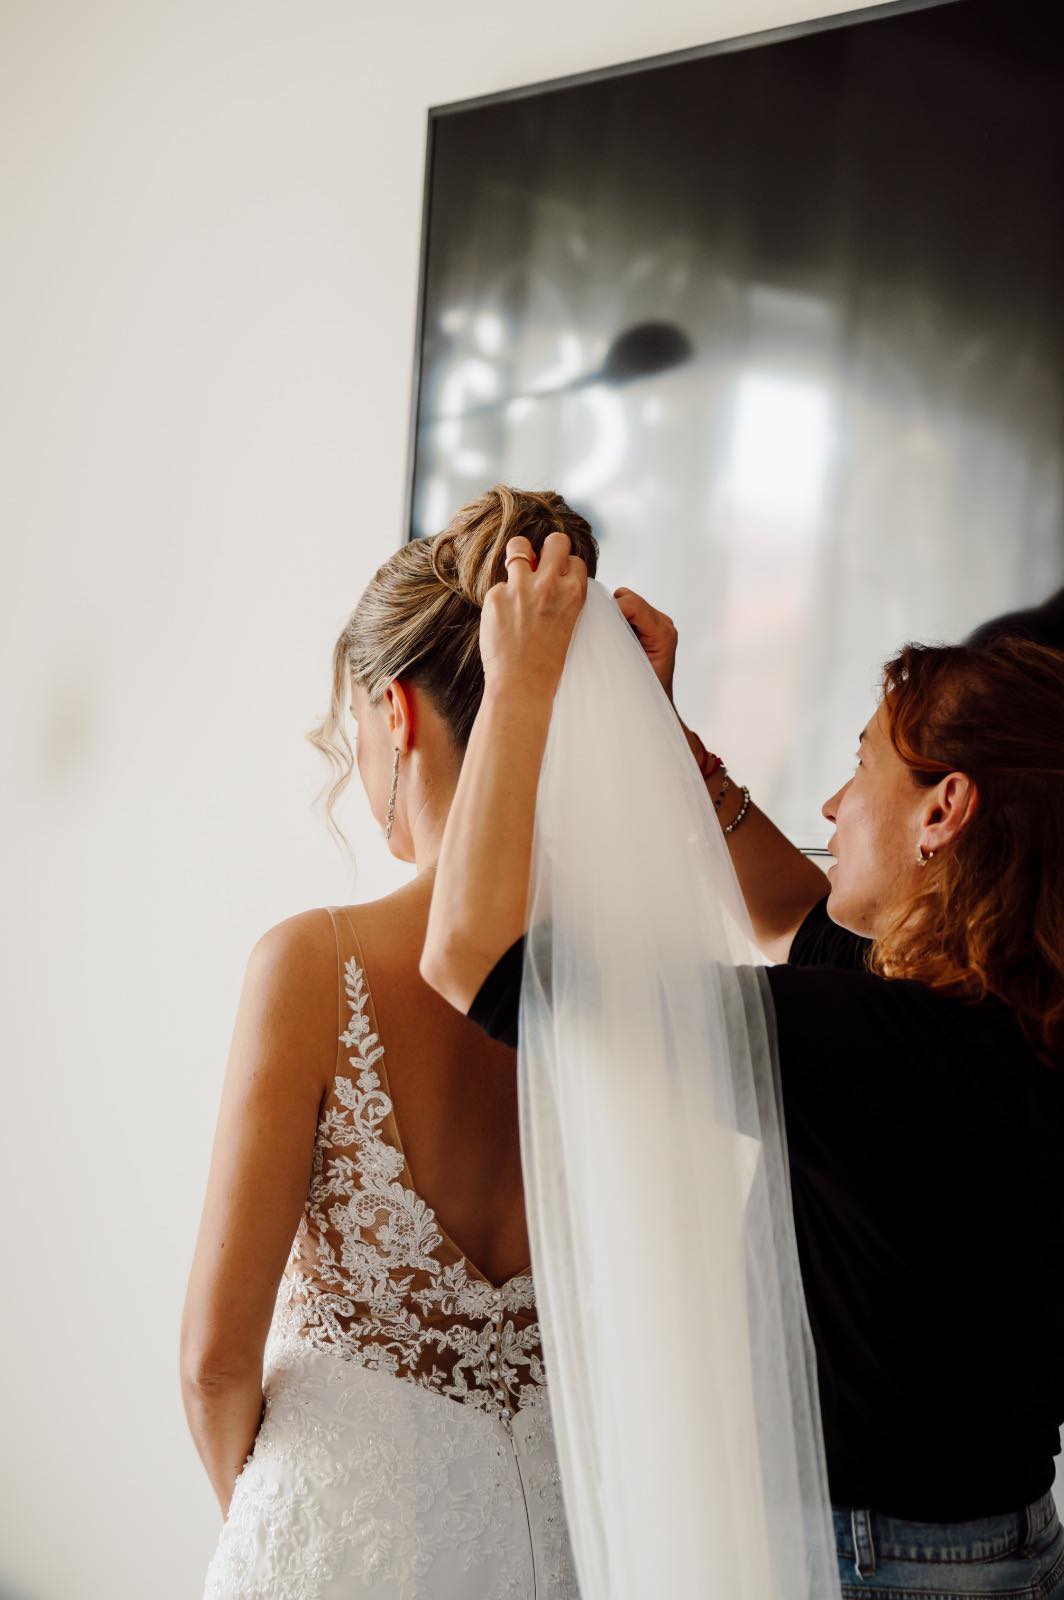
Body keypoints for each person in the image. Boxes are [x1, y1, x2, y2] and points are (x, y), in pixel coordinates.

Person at [420, 521, 1064, 1599]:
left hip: (877, 1566)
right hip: (996, 1542)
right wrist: (669, 736)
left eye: (857, 766)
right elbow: (794, 916)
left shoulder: (891, 1048)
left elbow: (476, 959)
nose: (828, 804)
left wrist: (521, 681)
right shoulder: (1000, 1018)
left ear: (942, 811)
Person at [180, 490, 597, 1599]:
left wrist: (307, 1528)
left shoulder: (313, 962)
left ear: (396, 713)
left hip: (343, 1548)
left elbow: (213, 1363)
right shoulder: (621, 982)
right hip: (557, 1545)